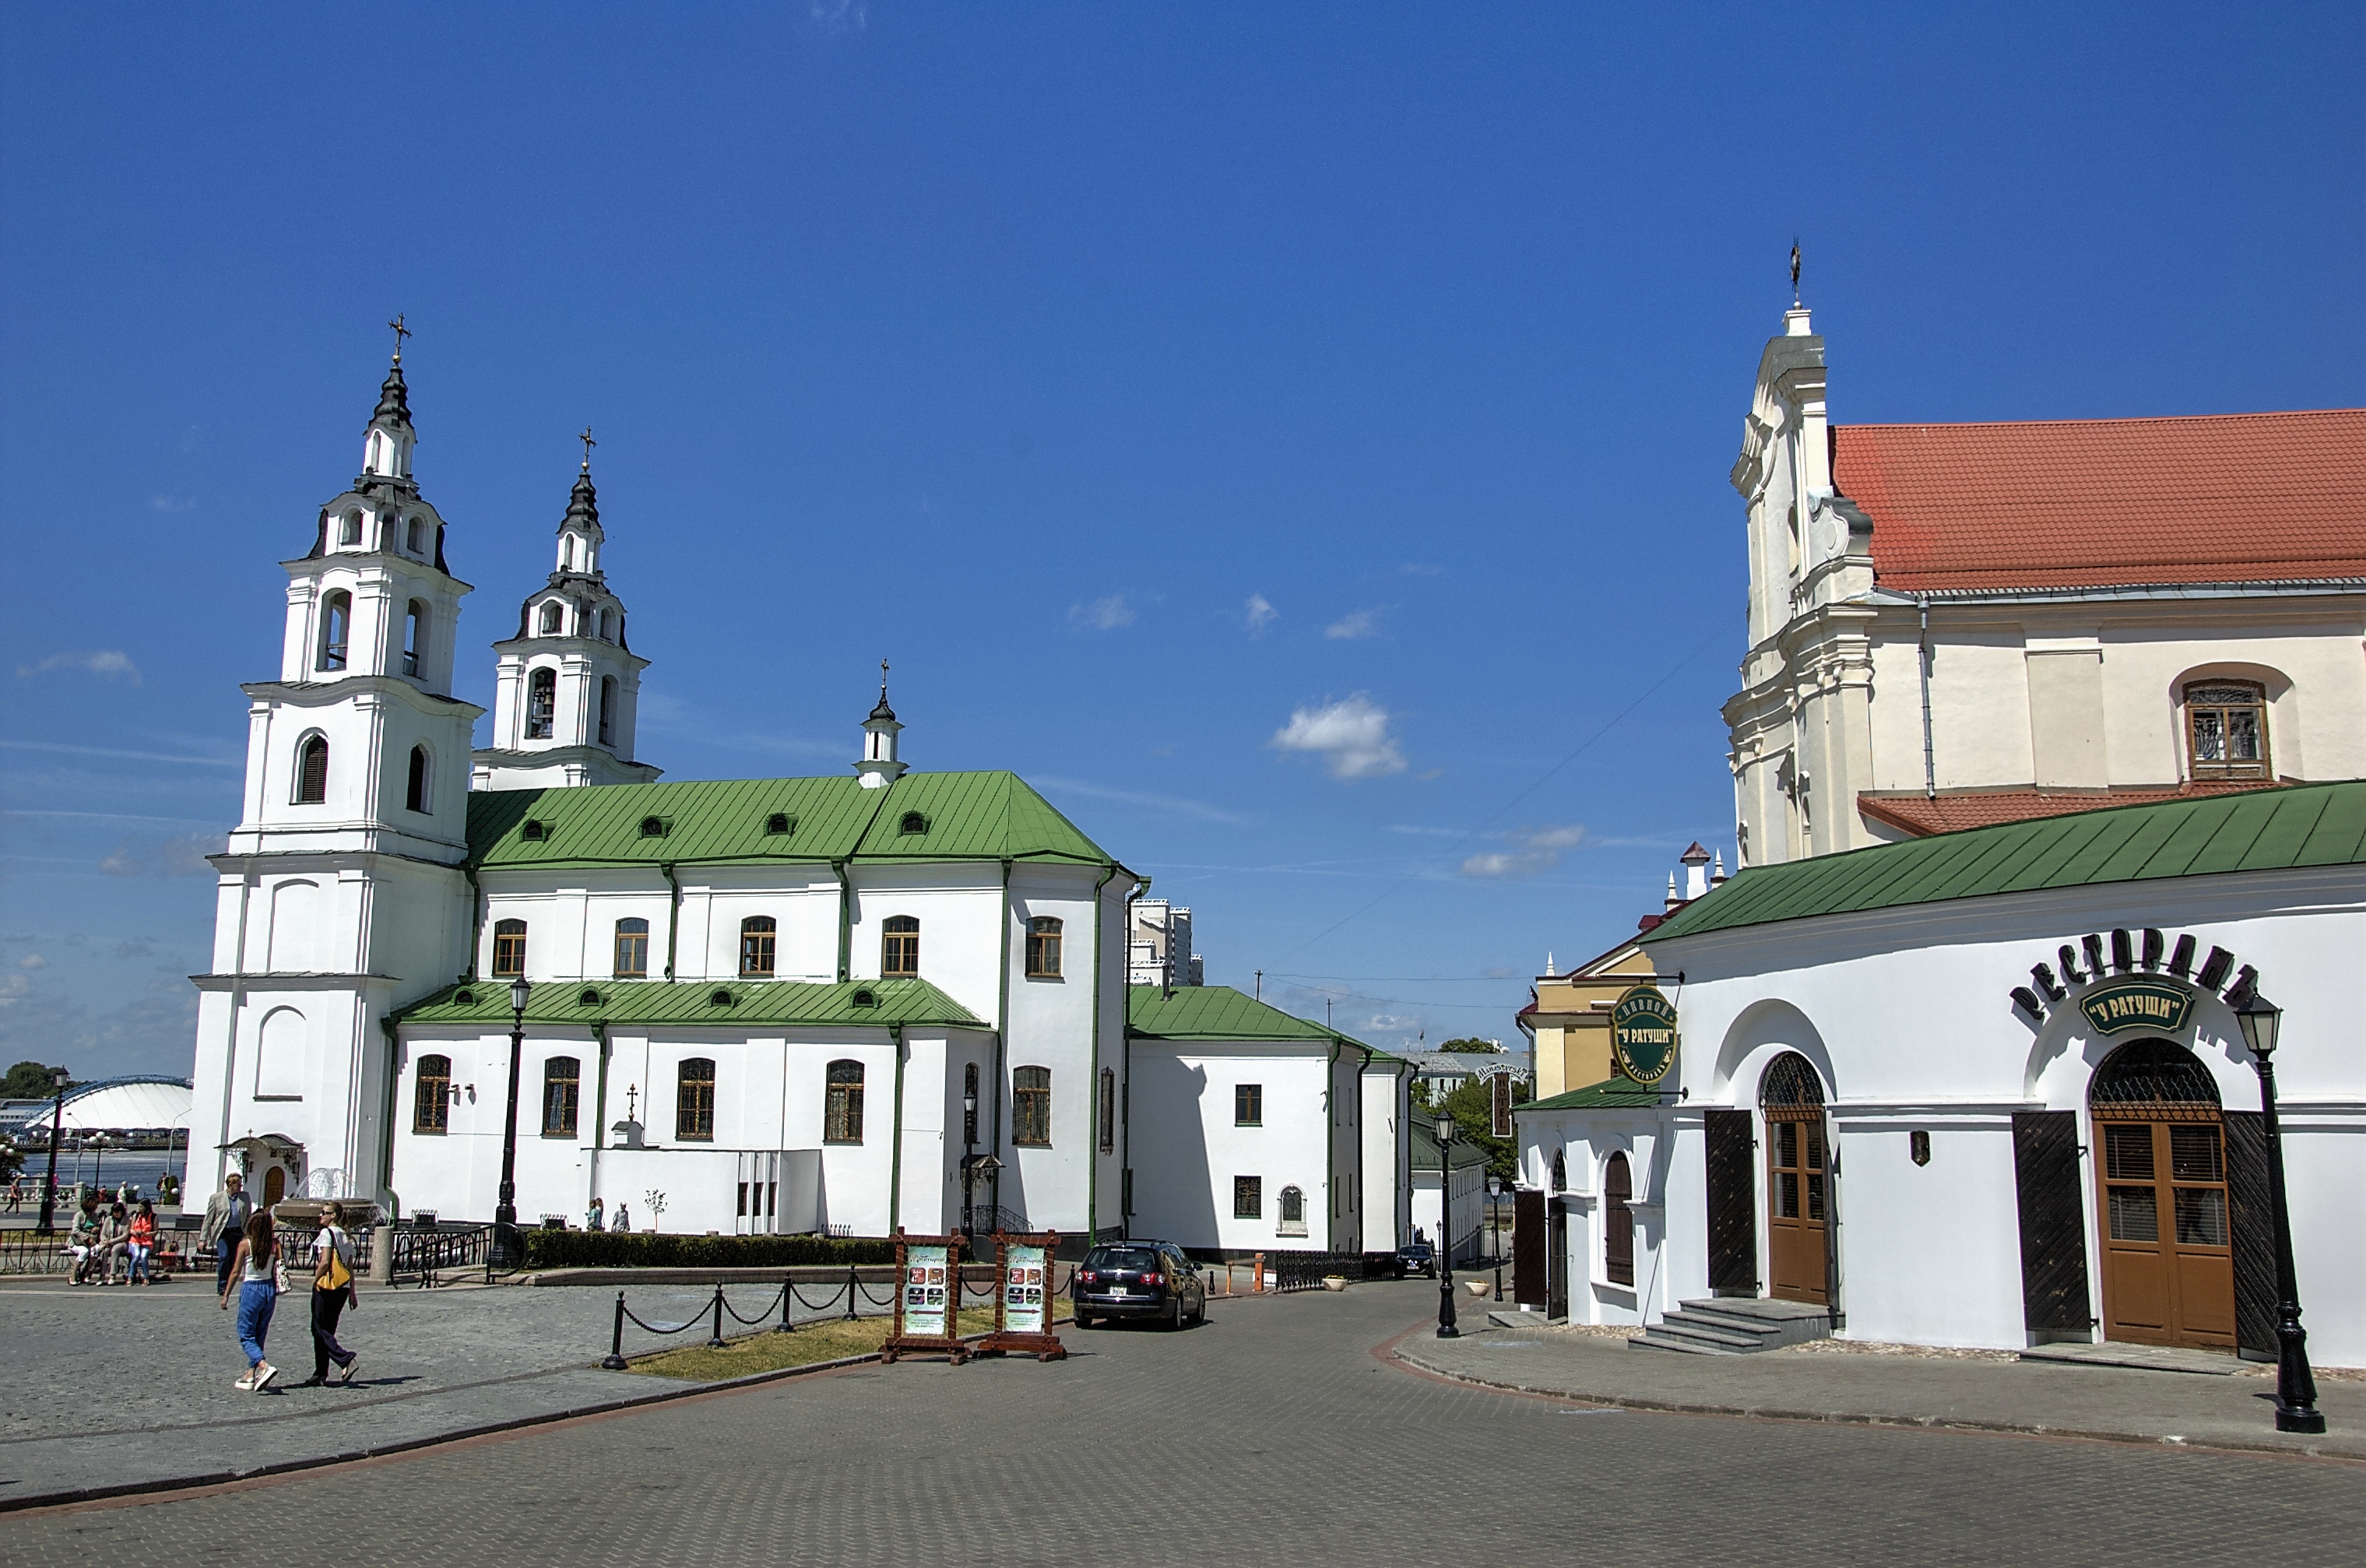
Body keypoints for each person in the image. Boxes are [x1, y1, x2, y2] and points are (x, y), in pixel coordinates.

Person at [220, 1209, 281, 1391]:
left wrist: (226, 1296)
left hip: (252, 1288)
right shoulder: (274, 1244)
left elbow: (235, 1272)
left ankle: (264, 1366)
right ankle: (251, 1373)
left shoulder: (246, 1244)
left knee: (246, 1333)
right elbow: (279, 1267)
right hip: (269, 1288)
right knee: (260, 1332)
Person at [301, 1203, 360, 1387]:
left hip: (326, 1286)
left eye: (325, 1213)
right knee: (327, 1329)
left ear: (334, 1216)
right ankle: (320, 1372)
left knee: (318, 1328)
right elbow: (349, 1267)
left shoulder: (327, 1233)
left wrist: (314, 1279)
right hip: (342, 1287)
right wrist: (352, 1292)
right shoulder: (346, 1236)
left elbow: (325, 1261)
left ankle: (345, 1359)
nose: (321, 1216)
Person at [201, 1172, 253, 1300]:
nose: (241, 1187)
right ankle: (222, 1286)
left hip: (238, 1232)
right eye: (238, 1185)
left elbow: (248, 1215)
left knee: (236, 1259)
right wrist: (203, 1239)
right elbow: (208, 1220)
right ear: (231, 1184)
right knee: (224, 1257)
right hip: (223, 1233)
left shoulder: (245, 1197)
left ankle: (234, 1283)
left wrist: (248, 1232)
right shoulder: (217, 1198)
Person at [67, 1197, 102, 1285]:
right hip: (77, 1242)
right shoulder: (79, 1215)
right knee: (84, 1251)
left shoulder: (94, 1215)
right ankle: (73, 1274)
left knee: (97, 1249)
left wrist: (96, 1228)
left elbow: (97, 1225)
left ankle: (87, 1273)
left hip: (91, 1242)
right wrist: (87, 1237)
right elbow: (75, 1230)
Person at [97, 1202, 132, 1285]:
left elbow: (125, 1236)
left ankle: (112, 1275)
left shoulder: (127, 1220)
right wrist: (105, 1240)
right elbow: (103, 1233)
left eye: (117, 1212)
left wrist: (112, 1241)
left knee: (115, 1249)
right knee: (105, 1251)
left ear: (121, 1212)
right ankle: (102, 1276)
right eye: (114, 1212)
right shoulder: (109, 1219)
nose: (115, 1214)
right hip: (108, 1242)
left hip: (122, 1243)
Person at [128, 1201, 157, 1285]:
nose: (139, 1209)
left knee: (144, 1256)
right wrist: (135, 1232)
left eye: (141, 1207)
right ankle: (130, 1276)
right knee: (136, 1255)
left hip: (147, 1241)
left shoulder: (153, 1217)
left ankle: (146, 1277)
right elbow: (131, 1229)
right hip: (135, 1240)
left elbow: (155, 1231)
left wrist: (147, 1234)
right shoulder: (136, 1216)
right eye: (138, 1207)